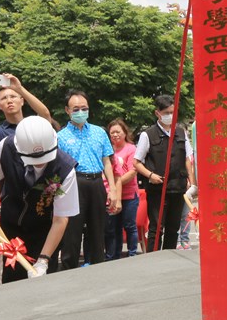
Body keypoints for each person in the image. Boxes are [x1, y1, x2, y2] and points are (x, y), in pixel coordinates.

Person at [0, 116, 79, 282]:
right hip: (12, 228)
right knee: (12, 280)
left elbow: (61, 219)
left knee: (43, 282)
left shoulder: (65, 168)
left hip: (45, 230)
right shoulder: (6, 147)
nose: (39, 164)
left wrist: (43, 259)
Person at [57, 90, 120, 268]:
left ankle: (98, 267)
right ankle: (69, 268)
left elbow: (107, 161)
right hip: (73, 183)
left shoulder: (99, 132)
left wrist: (112, 190)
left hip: (96, 182)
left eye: (84, 108)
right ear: (67, 111)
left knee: (98, 230)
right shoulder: (60, 137)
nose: (80, 112)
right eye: (75, 109)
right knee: (73, 231)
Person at [133, 95, 196, 252]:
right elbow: (136, 162)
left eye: (172, 112)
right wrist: (150, 175)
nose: (170, 116)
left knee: (173, 227)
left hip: (178, 187)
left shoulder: (181, 132)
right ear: (158, 113)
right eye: (166, 112)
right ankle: (153, 258)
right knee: (156, 227)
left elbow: (188, 159)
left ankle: (170, 258)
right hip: (158, 189)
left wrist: (193, 183)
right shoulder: (148, 135)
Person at [0, 72, 55, 150]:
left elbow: (45, 114)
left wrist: (20, 89)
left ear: (22, 101)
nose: (9, 101)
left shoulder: (32, 126)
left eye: (13, 96)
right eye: (4, 98)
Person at [104, 119, 140, 259]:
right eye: (112, 133)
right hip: (111, 196)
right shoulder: (108, 150)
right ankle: (114, 255)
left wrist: (113, 183)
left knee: (129, 226)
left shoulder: (131, 149)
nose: (115, 135)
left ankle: (132, 254)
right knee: (113, 228)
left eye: (118, 132)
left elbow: (132, 172)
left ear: (125, 133)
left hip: (129, 195)